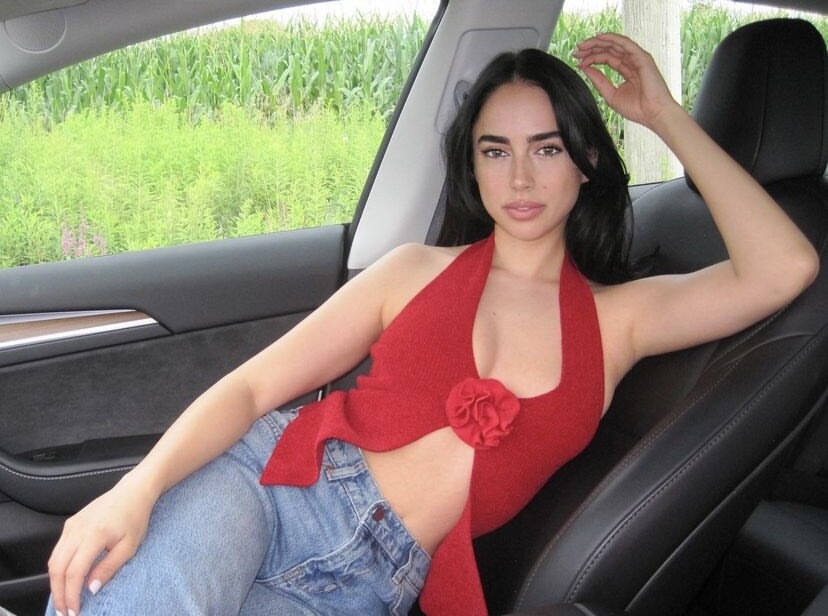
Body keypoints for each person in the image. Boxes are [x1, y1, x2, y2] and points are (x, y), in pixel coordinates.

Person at [45, 33, 819, 616]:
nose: (521, 176)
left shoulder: (620, 321)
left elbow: (783, 269)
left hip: (370, 581)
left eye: (547, 148)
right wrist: (137, 490)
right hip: (268, 487)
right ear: (473, 167)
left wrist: (663, 116)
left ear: (585, 159)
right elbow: (252, 390)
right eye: (496, 151)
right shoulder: (413, 270)